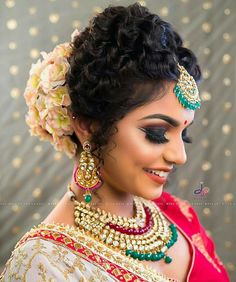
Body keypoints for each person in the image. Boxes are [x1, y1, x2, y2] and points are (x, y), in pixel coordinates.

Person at [0, 3, 230, 282]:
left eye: (184, 134)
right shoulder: (43, 264)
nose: (180, 156)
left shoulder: (179, 215)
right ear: (87, 125)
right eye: (156, 133)